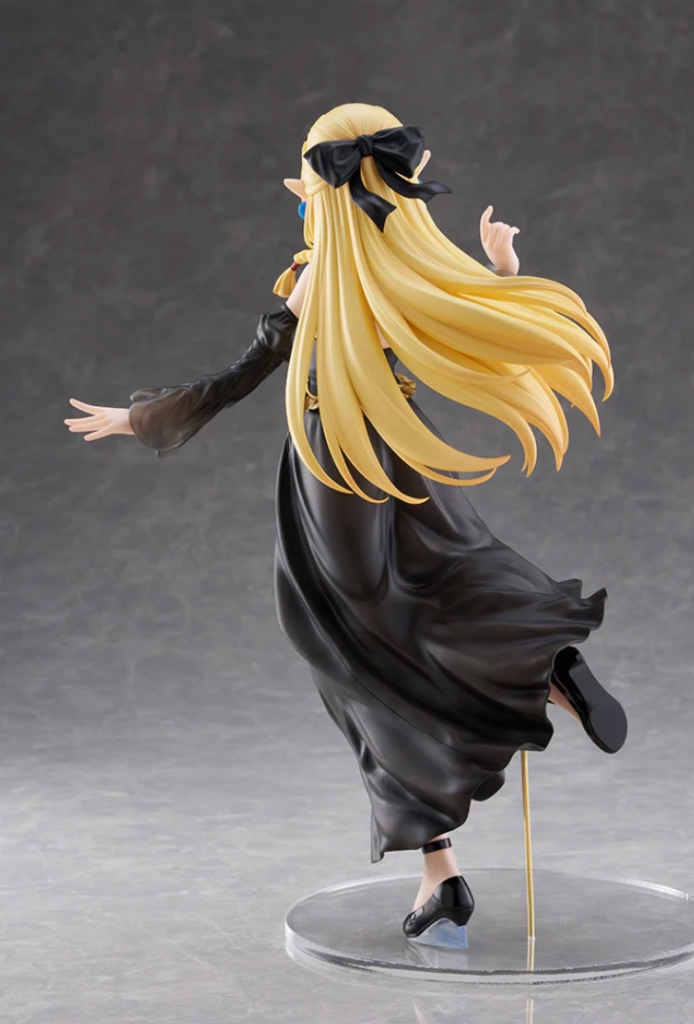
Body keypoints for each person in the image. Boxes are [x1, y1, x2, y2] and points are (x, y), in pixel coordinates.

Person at [65, 102, 627, 948]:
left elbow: (243, 374)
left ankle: (445, 868)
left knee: (356, 655)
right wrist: (503, 271)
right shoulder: (402, 267)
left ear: (321, 191)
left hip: (332, 465)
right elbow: (479, 329)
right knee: (453, 567)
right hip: (399, 448)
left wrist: (141, 418)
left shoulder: (318, 278)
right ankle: (546, 661)